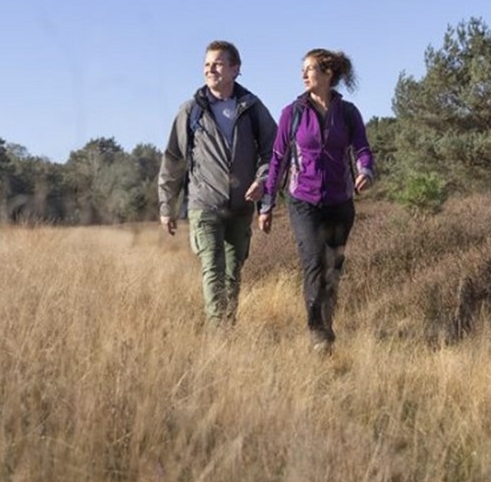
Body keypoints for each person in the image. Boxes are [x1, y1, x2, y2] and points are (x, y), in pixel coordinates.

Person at [247, 48, 374, 352]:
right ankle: (317, 333)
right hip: (302, 199)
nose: (304, 75)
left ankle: (327, 324)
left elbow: (362, 148)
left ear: (328, 74)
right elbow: (277, 159)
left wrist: (365, 170)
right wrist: (266, 205)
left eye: (310, 69)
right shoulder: (292, 113)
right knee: (314, 261)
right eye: (302, 69)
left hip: (340, 201)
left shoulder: (348, 113)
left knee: (333, 267)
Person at [158, 40, 278, 326]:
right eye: (207, 64)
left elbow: (273, 152)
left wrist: (262, 183)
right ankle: (218, 331)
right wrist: (167, 205)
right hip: (204, 203)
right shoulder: (191, 111)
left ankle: (228, 323)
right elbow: (174, 158)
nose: (210, 69)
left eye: (218, 63)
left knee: (233, 271)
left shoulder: (252, 107)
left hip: (240, 205)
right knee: (212, 267)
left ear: (236, 69)